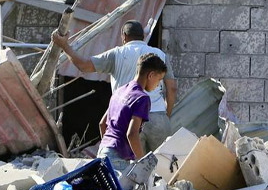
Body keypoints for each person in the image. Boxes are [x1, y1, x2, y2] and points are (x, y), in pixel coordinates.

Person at [52, 20, 177, 152]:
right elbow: (172, 88)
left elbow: (84, 65)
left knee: (131, 168)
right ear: (143, 37)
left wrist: (65, 46)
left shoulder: (116, 54)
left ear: (123, 36)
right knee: (163, 167)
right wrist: (165, 115)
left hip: (127, 120)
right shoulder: (160, 55)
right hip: (158, 119)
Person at [97, 53, 168, 171]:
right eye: (159, 79)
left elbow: (102, 124)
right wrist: (143, 163)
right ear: (151, 75)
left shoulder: (120, 91)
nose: (158, 85)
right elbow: (132, 134)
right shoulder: (141, 98)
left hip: (103, 151)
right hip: (117, 159)